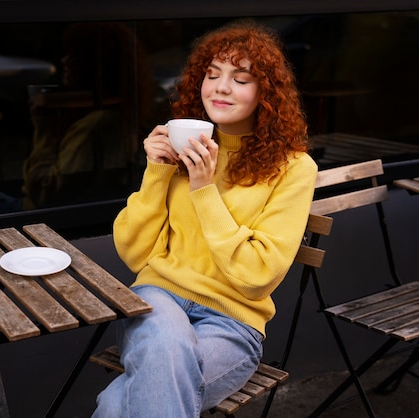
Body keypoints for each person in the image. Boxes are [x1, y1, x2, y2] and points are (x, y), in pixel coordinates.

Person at [92, 21, 318, 417]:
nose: (221, 88)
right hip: (157, 299)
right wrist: (157, 170)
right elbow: (134, 252)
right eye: (212, 75)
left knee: (116, 403)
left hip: (232, 323)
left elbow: (258, 276)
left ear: (266, 93)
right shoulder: (182, 149)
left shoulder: (294, 168)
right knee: (165, 345)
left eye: (240, 79)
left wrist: (203, 188)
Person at [21, 22, 155, 209]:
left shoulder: (98, 124)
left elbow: (45, 195)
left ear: (95, 65)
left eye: (75, 55)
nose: (64, 61)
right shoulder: (110, 111)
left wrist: (45, 126)